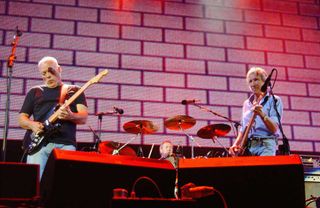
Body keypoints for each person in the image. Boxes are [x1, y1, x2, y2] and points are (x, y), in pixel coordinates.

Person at [18, 56, 88, 179]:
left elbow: (83, 117)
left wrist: (71, 116)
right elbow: (22, 119)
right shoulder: (34, 91)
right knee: (35, 185)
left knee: (62, 186)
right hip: (39, 144)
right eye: (44, 73)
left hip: (65, 144)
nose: (48, 76)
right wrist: (33, 125)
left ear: (59, 69)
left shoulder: (75, 90)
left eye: (51, 71)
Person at [229, 67, 283, 156]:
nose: (253, 84)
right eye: (250, 81)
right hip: (249, 147)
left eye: (256, 80)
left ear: (264, 81)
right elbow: (243, 129)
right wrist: (236, 144)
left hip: (266, 145)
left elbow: (274, 128)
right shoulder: (247, 103)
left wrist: (261, 114)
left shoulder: (274, 100)